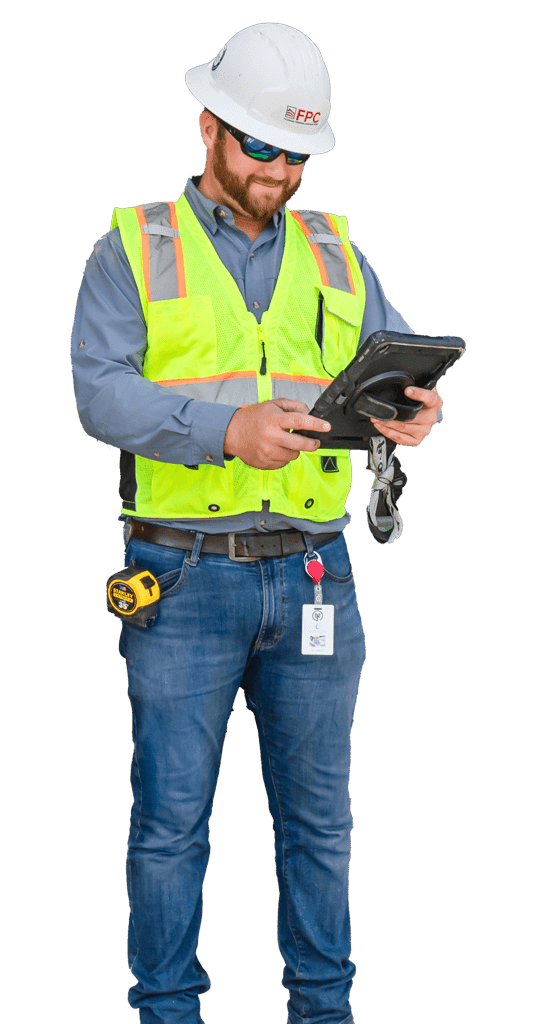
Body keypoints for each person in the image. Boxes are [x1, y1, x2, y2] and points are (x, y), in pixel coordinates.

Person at [71, 22, 442, 1024]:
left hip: (317, 577)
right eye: (262, 146)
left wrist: (409, 409)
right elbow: (100, 394)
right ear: (210, 127)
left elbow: (386, 358)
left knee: (322, 831)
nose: (280, 171)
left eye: (298, 154)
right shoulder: (133, 248)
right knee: (170, 831)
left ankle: (324, 1014)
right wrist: (226, 430)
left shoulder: (336, 251)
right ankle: (167, 1013)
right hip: (182, 581)